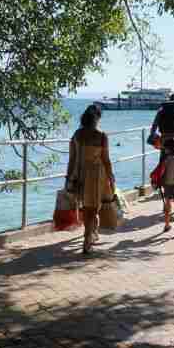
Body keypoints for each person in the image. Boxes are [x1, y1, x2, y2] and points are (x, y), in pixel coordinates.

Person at [65, 107, 116, 255]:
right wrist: (111, 176)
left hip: (79, 173)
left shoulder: (77, 134)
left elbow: (72, 158)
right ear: (97, 118)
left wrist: (68, 177)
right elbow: (106, 159)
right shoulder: (102, 136)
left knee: (86, 207)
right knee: (93, 208)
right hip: (96, 174)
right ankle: (88, 238)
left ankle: (91, 232)